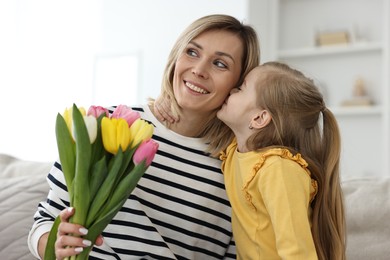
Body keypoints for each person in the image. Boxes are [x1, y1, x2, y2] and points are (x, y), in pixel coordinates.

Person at [27, 14, 260, 259]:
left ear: (239, 84)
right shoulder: (108, 124)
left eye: (220, 64)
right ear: (175, 58)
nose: (199, 70)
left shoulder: (236, 166)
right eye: (192, 52)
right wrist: (53, 243)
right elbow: (44, 220)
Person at [216, 62, 346, 260]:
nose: (232, 89)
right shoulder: (235, 152)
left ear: (259, 118)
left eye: (241, 88)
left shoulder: (279, 170)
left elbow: (296, 250)